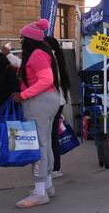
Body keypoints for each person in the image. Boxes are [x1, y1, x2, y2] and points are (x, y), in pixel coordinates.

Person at [13, 19, 60, 208]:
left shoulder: (37, 55)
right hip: (48, 101)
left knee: (38, 145)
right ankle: (47, 186)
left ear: (29, 39)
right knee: (45, 142)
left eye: (22, 38)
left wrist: (24, 94)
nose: (21, 41)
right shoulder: (41, 53)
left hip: (38, 102)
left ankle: (40, 192)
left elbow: (46, 79)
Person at [44, 36, 71, 178]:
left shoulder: (51, 60)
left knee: (51, 135)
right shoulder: (58, 59)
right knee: (51, 135)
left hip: (54, 101)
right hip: (58, 100)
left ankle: (55, 168)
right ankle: (54, 167)